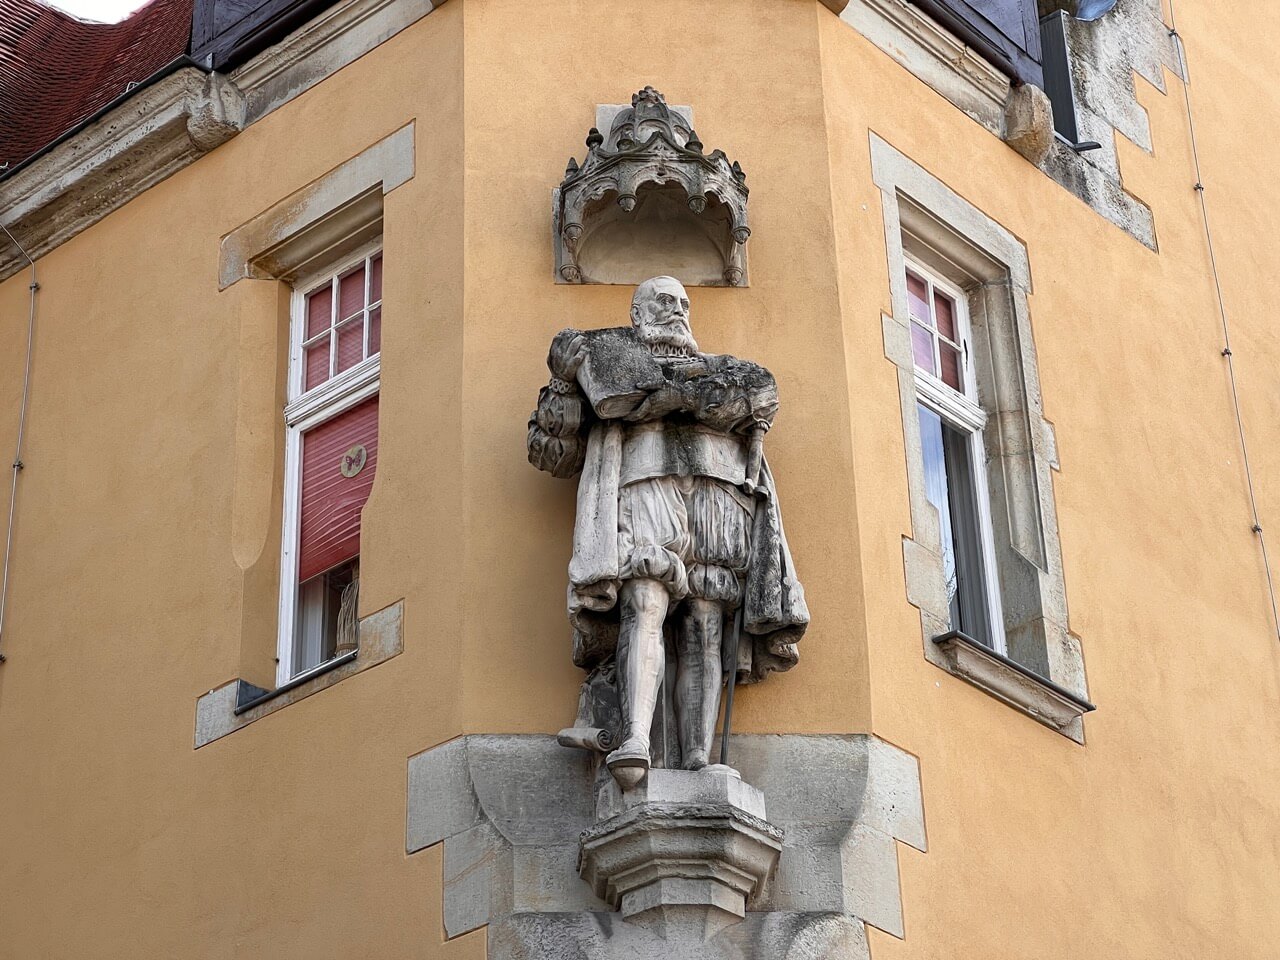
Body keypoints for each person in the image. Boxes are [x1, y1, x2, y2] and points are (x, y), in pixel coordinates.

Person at [528, 276, 808, 786]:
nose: (677, 310)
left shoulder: (721, 368)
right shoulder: (606, 358)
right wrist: (567, 383)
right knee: (644, 600)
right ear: (638, 314)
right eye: (663, 301)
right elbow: (551, 453)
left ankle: (697, 755)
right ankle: (637, 736)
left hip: (718, 500)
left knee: (705, 623)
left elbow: (760, 393)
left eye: (683, 303)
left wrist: (662, 394)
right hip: (643, 486)